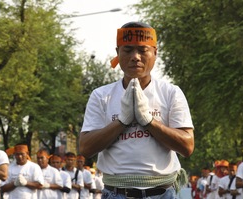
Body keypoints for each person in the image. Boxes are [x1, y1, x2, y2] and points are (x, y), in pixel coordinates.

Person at [79, 21, 195, 199]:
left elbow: (187, 146)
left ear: (155, 53)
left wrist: (149, 121)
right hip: (116, 193)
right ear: (118, 53)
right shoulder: (101, 95)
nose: (135, 57)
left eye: (142, 50)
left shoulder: (171, 93)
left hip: (162, 193)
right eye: (128, 50)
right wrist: (122, 122)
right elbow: (86, 147)